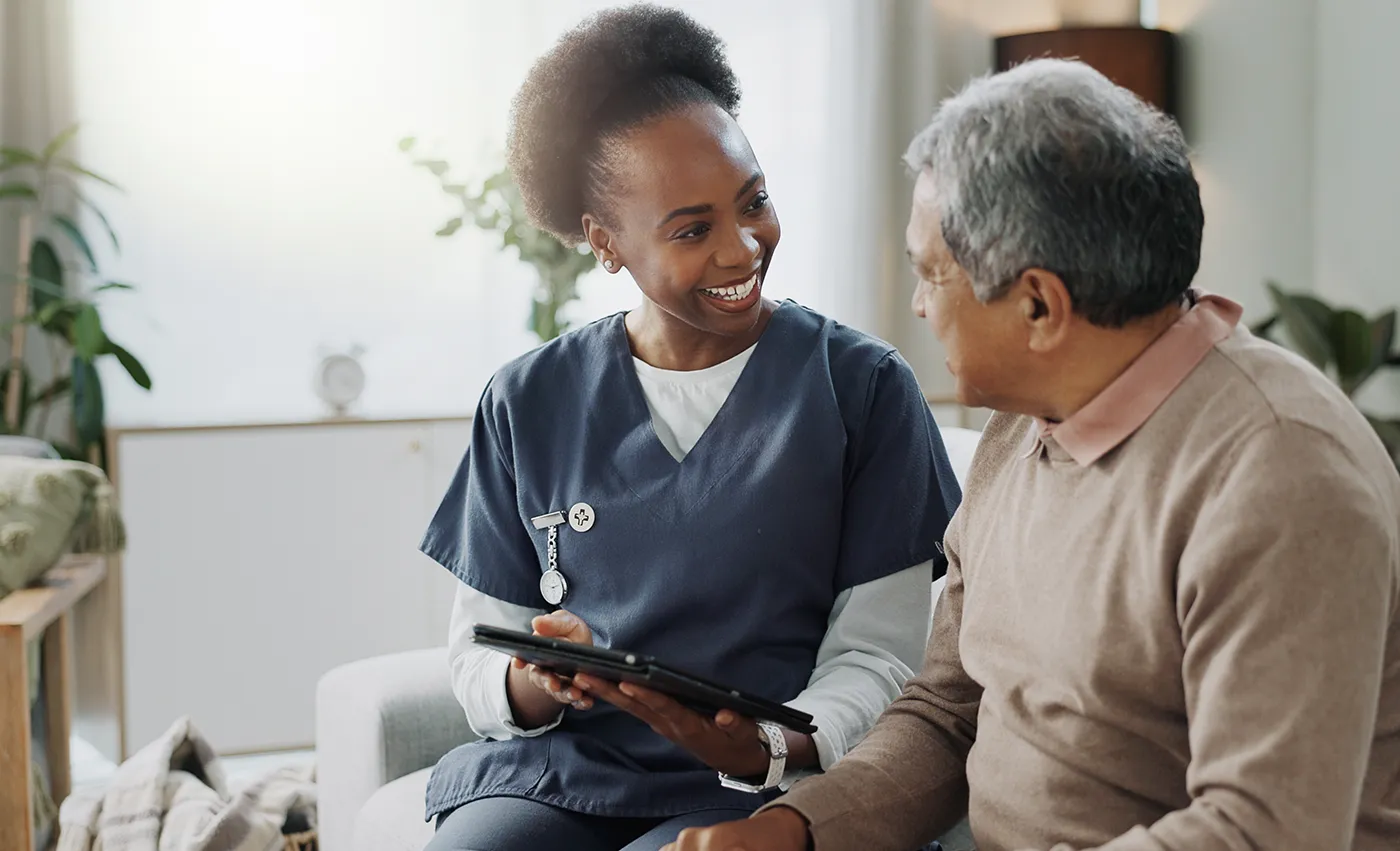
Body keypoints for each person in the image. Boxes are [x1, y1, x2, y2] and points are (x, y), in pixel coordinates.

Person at [665, 58, 1400, 851]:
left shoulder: (1281, 475)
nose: (916, 305)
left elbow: (1261, 831)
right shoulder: (1023, 427)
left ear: (1040, 306)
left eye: (930, 274)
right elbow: (948, 712)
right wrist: (793, 829)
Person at [416, 6, 962, 851]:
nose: (743, 249)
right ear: (605, 243)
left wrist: (766, 742)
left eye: (755, 202)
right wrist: (536, 681)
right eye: (693, 229)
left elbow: (885, 660)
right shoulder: (528, 401)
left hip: (759, 785)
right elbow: (478, 652)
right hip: (564, 776)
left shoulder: (863, 389)